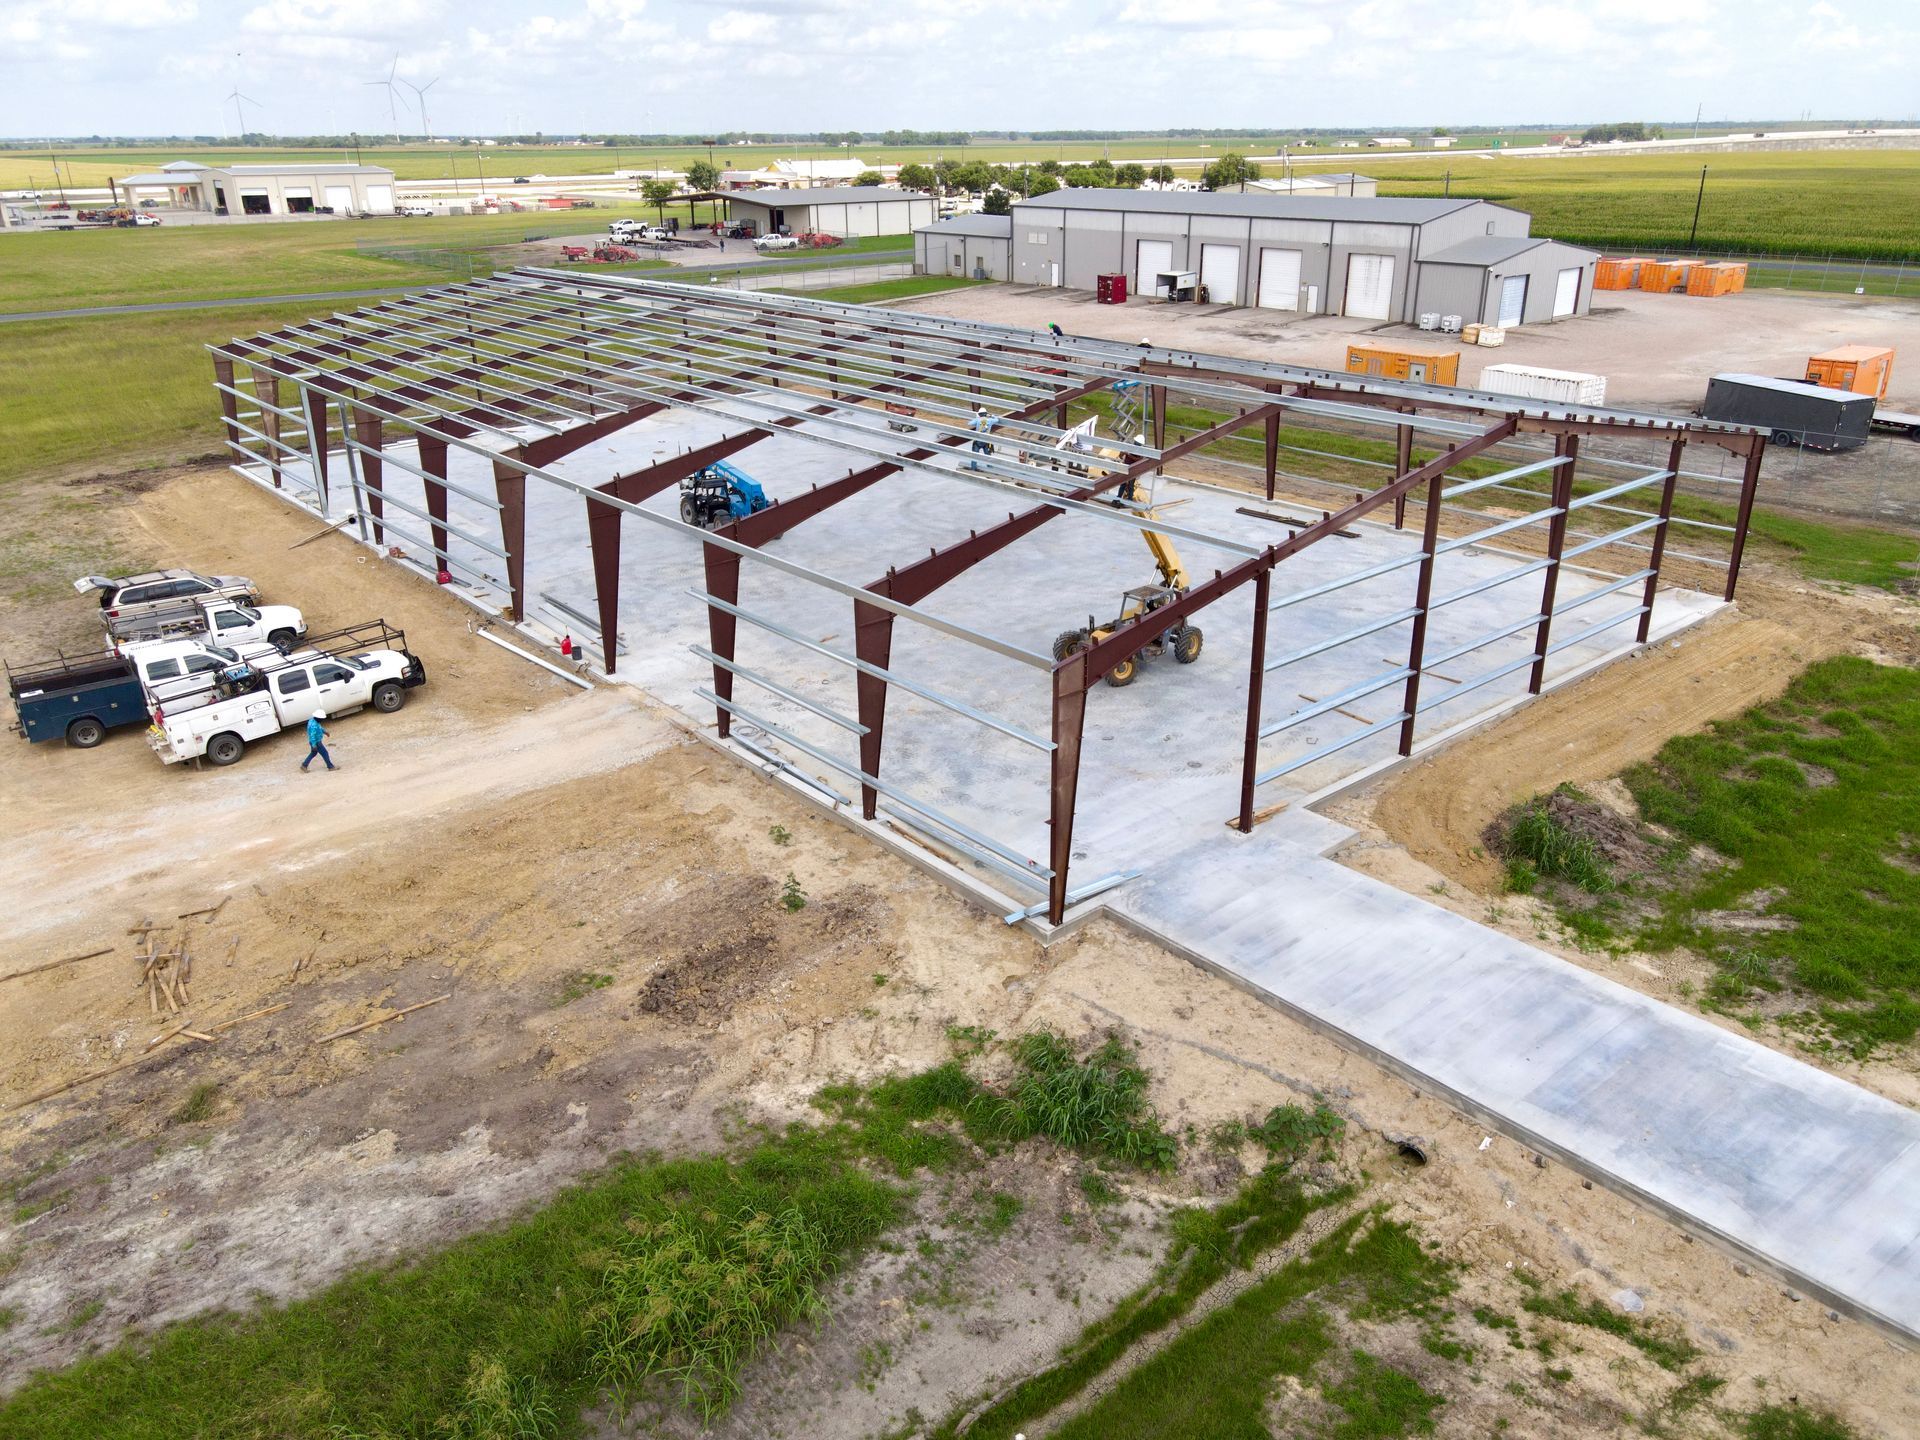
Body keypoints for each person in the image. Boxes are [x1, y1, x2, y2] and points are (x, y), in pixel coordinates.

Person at [967, 404, 997, 471]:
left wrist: (977, 418)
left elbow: (969, 423)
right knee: (987, 456)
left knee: (975, 456)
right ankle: (990, 469)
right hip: (986, 441)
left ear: (979, 414)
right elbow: (997, 420)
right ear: (986, 414)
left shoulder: (977, 420)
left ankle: (973, 468)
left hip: (978, 441)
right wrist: (991, 416)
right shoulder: (990, 420)